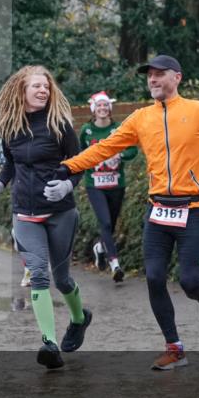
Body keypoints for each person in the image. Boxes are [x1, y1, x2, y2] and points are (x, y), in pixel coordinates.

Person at [54, 54, 199, 371]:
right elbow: (105, 147)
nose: (153, 80)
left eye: (160, 74)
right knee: (154, 278)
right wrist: (68, 167)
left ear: (177, 77)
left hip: (195, 209)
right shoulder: (141, 118)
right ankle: (174, 348)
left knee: (189, 281)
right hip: (158, 211)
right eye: (149, 76)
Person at [0, 66, 91, 369]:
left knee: (63, 278)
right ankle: (49, 344)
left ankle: (80, 319)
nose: (43, 90)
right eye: (36, 86)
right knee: (38, 275)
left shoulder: (60, 125)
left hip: (60, 213)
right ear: (22, 91)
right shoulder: (10, 126)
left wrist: (68, 184)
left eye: (46, 86)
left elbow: (80, 162)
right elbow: (10, 166)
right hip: (24, 214)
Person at [79, 91, 138, 283]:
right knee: (104, 223)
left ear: (110, 109)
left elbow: (132, 149)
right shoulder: (86, 131)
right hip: (94, 184)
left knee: (110, 226)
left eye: (106, 106)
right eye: (99, 106)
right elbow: (80, 154)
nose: (102, 109)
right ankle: (115, 264)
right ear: (93, 110)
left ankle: (100, 248)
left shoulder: (118, 129)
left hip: (116, 183)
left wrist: (119, 156)